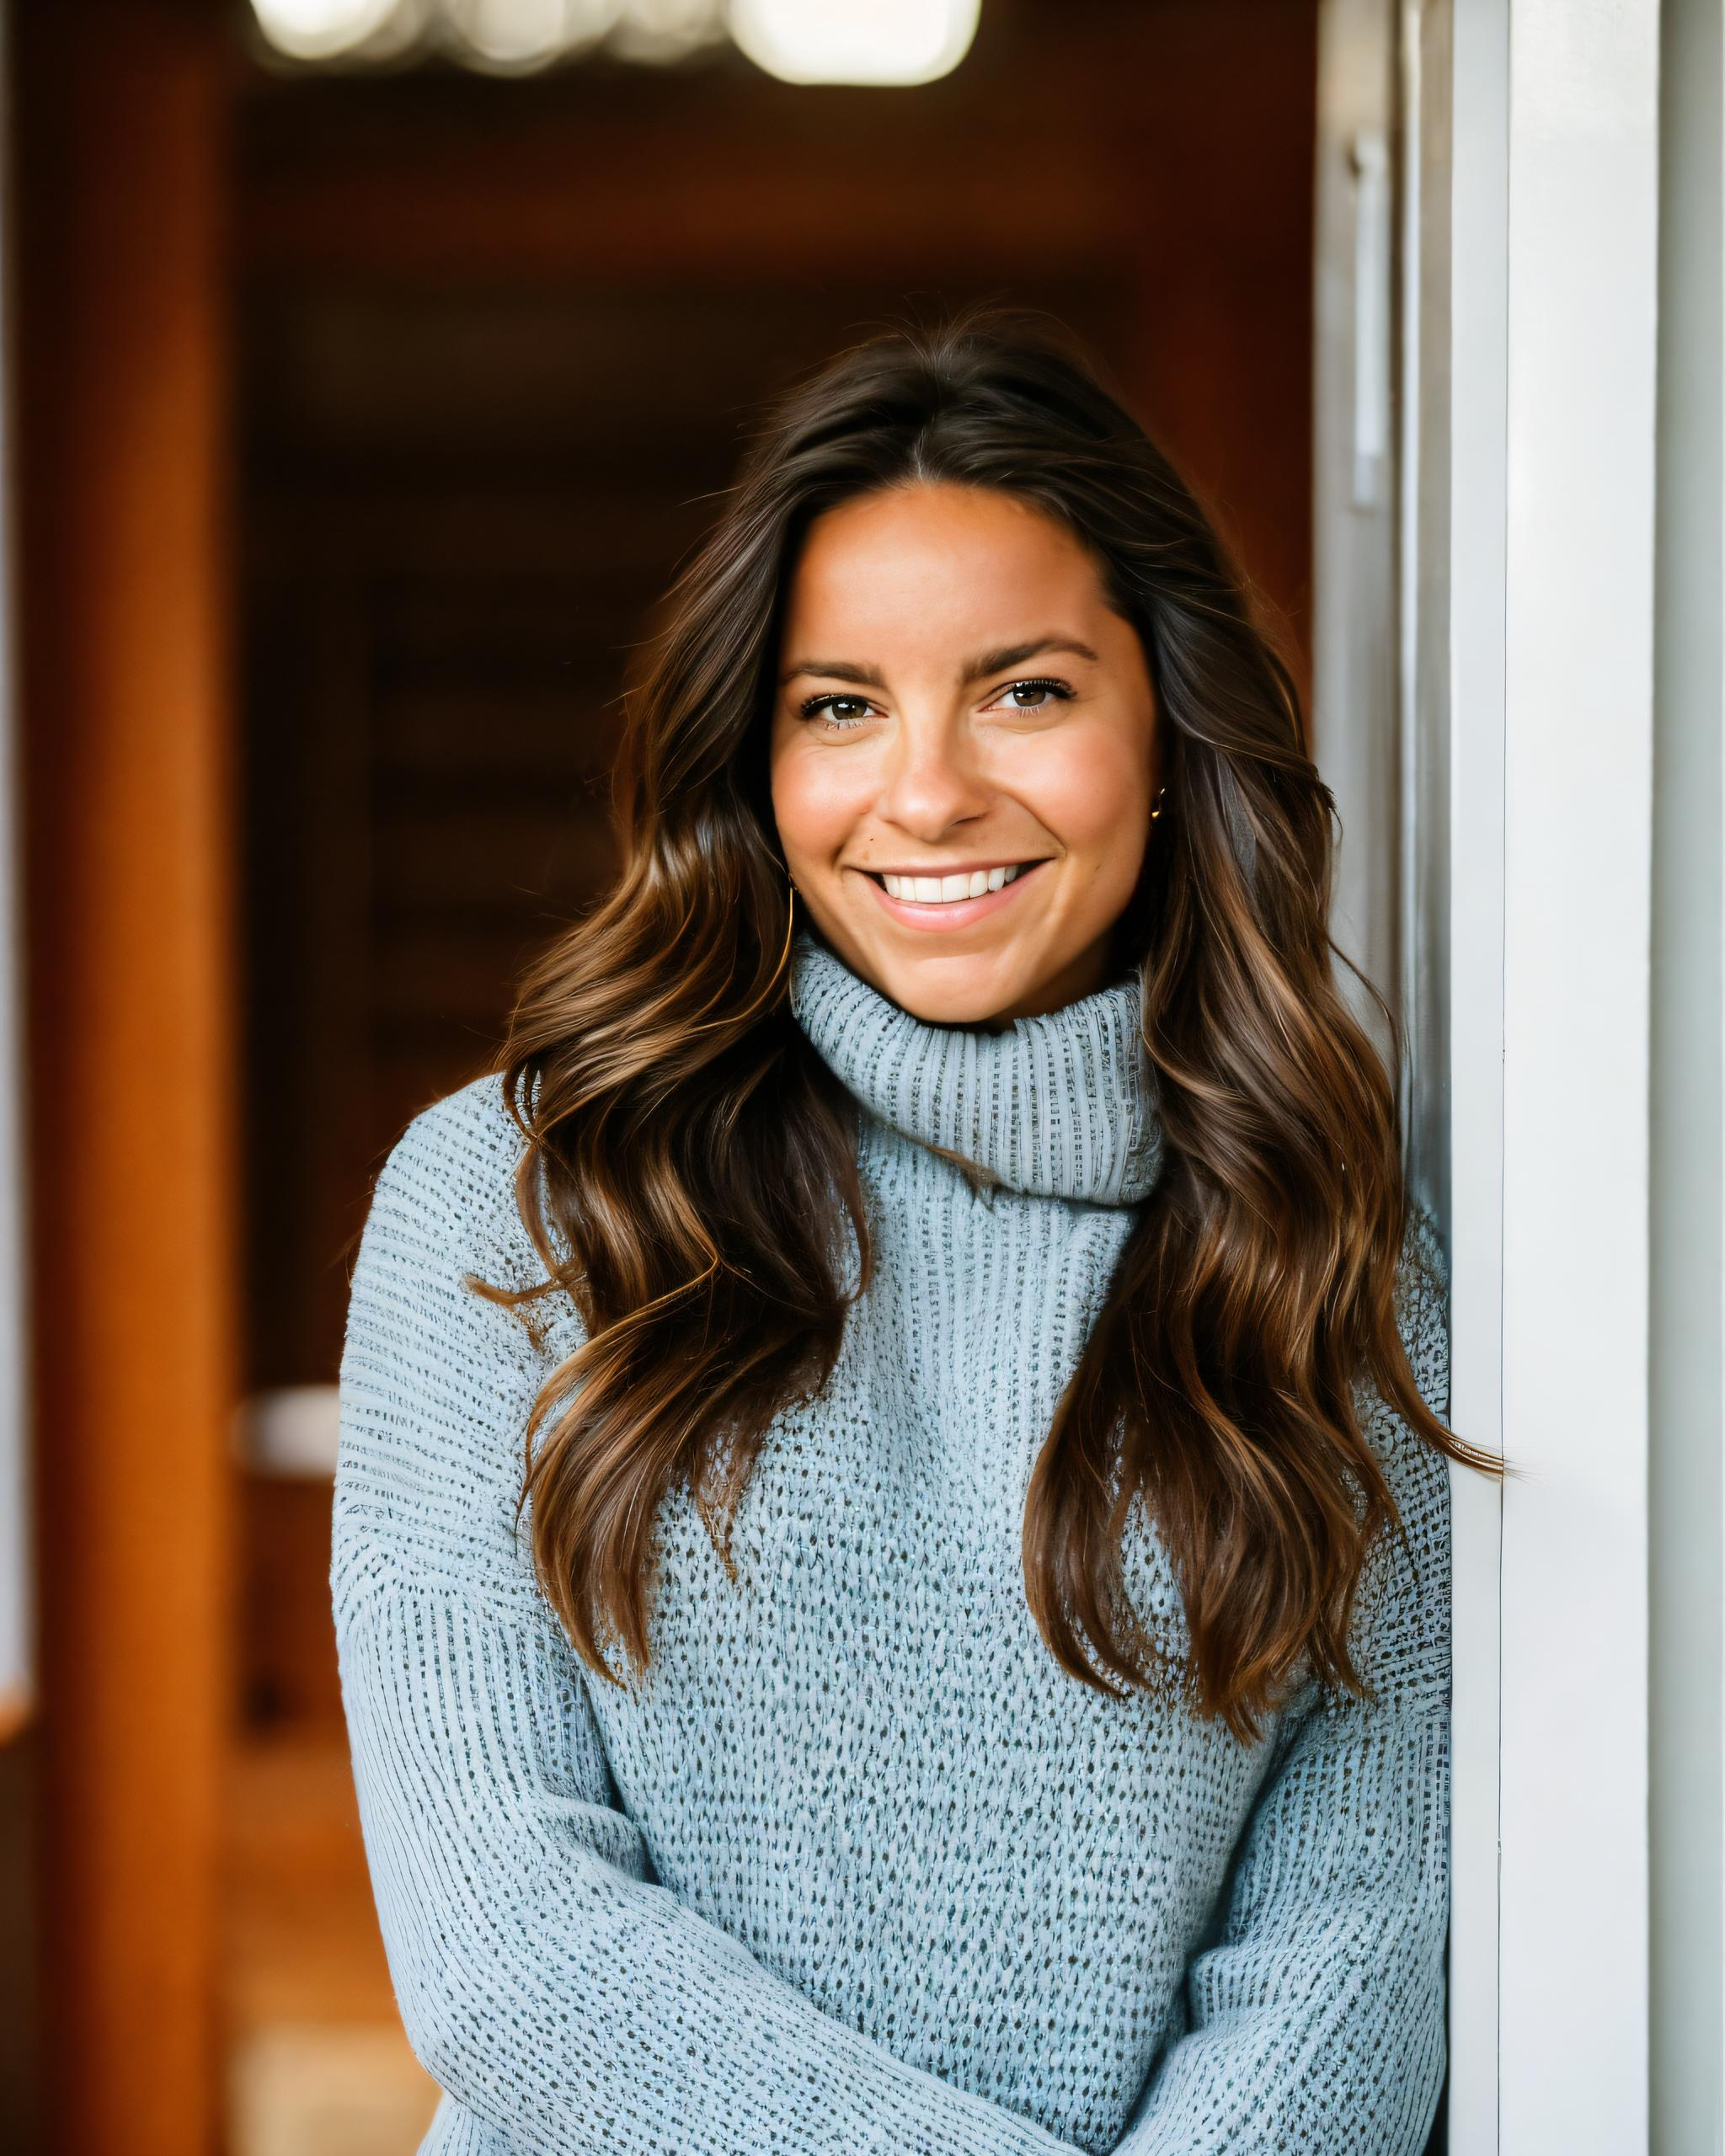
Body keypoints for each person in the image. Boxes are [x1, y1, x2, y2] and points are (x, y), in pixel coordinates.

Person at [331, 305, 1498, 2156]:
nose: (928, 789)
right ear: (753, 758)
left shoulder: (1333, 1257)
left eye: (1025, 688)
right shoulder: (521, 1201)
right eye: (839, 705)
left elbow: (1359, 1944)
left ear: (1170, 730)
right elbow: (503, 1943)